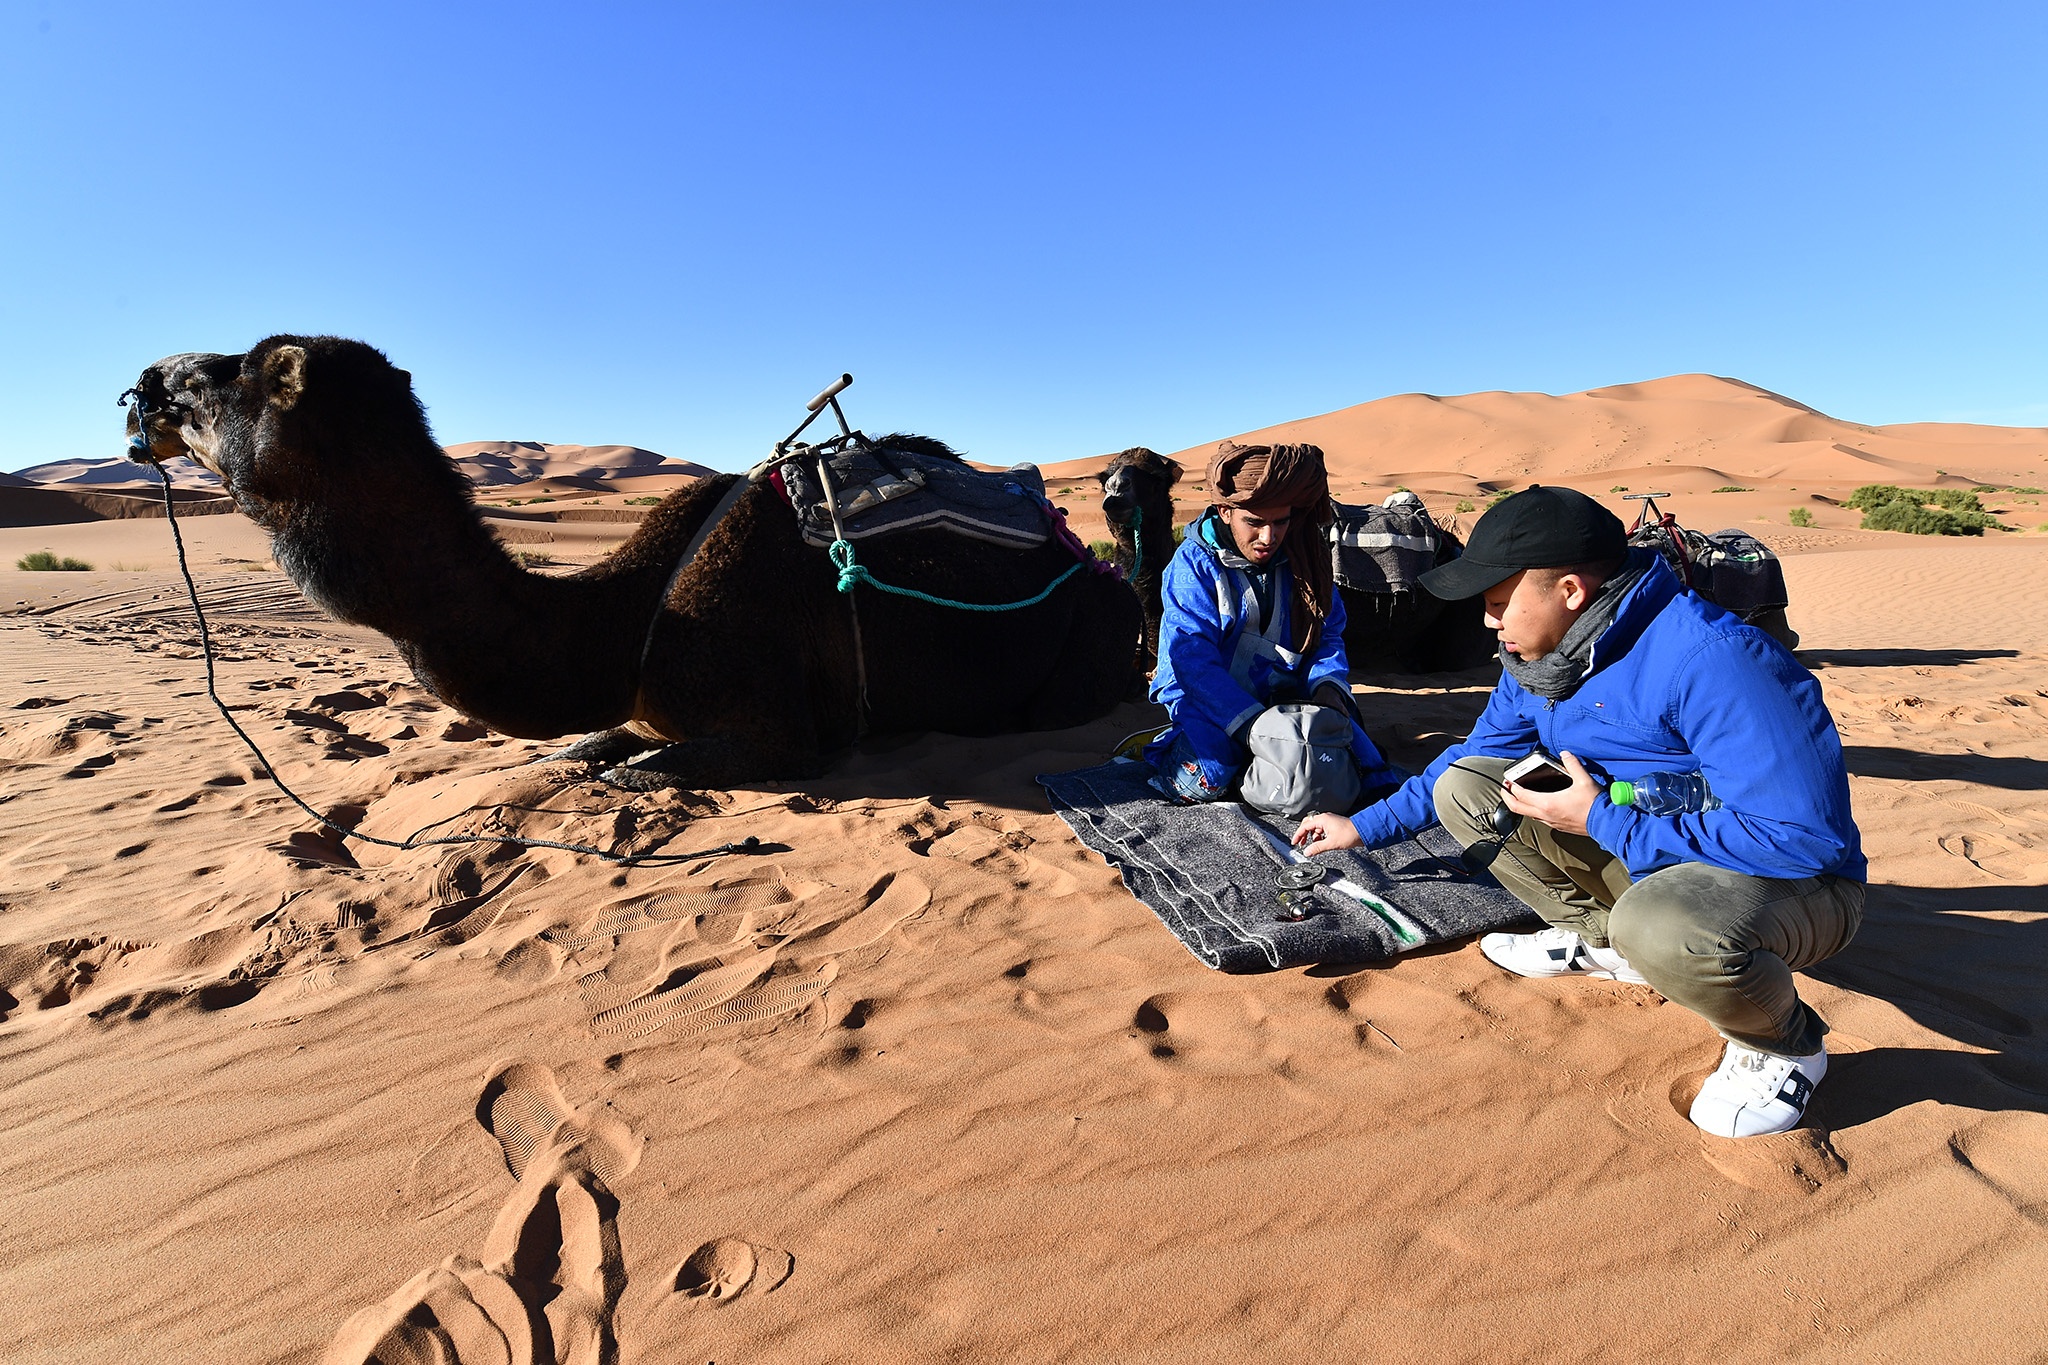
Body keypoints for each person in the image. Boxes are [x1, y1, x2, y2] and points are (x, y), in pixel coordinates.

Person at [1295, 485, 1864, 1139]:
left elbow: (1802, 840)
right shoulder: (1538, 662)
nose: (1488, 622)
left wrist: (1601, 819)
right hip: (1645, 840)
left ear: (1568, 590)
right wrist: (1362, 826)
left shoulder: (1718, 661)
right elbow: (1475, 758)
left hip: (1798, 885)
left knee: (1659, 926)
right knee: (1470, 785)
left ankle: (1785, 1045)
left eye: (1500, 602)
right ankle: (1603, 938)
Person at [1145, 441, 1401, 805]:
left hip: (1287, 690)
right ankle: (1168, 746)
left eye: (1281, 522)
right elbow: (1192, 661)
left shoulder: (1304, 556)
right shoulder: (1193, 567)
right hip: (1205, 694)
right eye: (1255, 522)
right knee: (1208, 779)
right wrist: (1256, 727)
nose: (1269, 537)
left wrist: (1327, 686)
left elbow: (1326, 634)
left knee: (1368, 774)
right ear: (1224, 511)